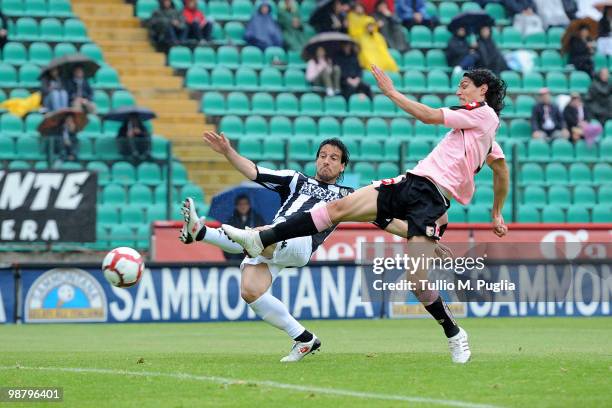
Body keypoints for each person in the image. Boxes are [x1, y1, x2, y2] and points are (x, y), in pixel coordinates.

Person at [222, 67, 511, 364]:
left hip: (432, 200)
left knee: (417, 280)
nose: (458, 91)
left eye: (464, 86)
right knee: (337, 208)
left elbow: (428, 116)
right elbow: (501, 170)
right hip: (410, 183)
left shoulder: (484, 115)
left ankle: (455, 334)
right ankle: (261, 238)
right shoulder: (482, 132)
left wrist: (391, 93)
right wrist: (497, 212)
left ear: (483, 89)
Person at [224, 194, 266, 260]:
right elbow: (226, 240)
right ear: (236, 206)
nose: (243, 206)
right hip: (235, 255)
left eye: (245, 204)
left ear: (249, 205)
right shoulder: (231, 220)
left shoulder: (257, 218)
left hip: (254, 255)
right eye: (240, 204)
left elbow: (263, 235)